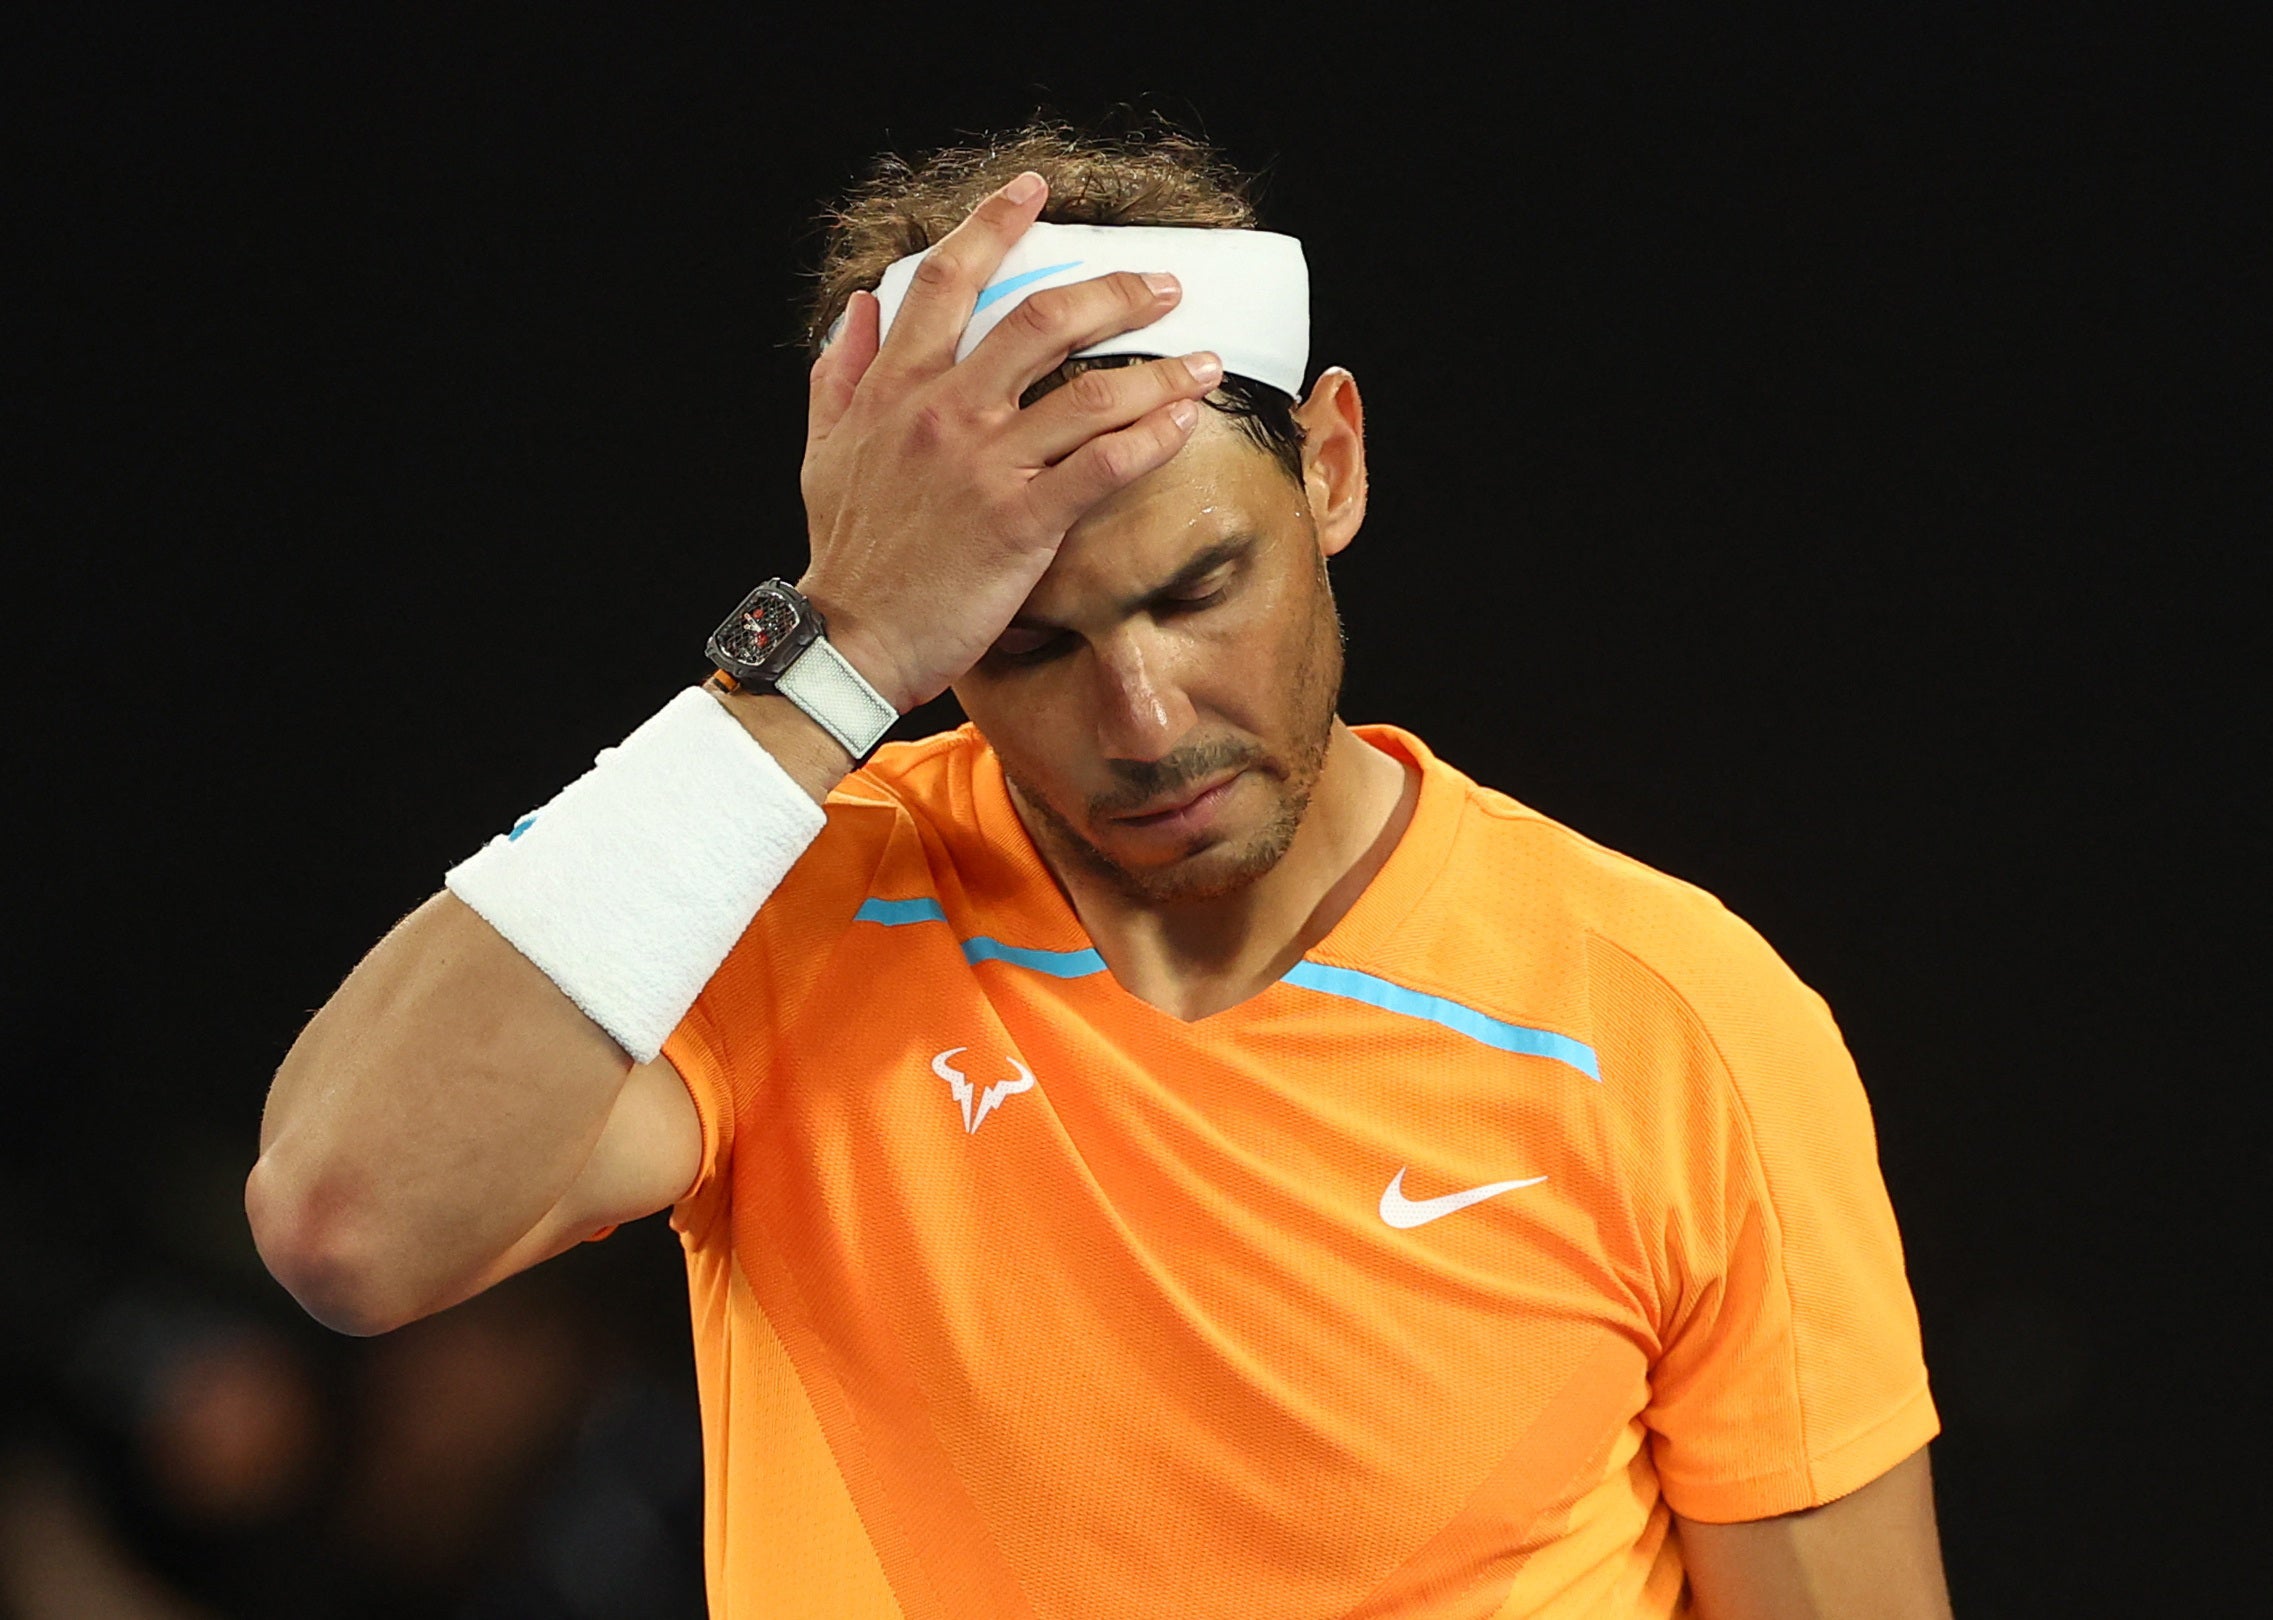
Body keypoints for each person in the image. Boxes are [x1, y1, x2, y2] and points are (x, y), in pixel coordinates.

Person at [248, 124, 1952, 1618]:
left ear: (1336, 467)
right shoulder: (783, 902)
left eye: (1201, 589)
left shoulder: (1672, 1017)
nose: (1143, 721)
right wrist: (827, 650)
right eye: (1028, 642)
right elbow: (348, 1226)